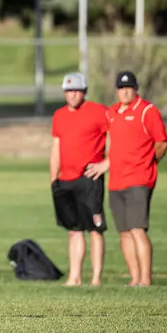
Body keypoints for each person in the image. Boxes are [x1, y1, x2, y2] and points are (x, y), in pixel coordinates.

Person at [85, 71, 167, 286]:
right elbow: (118, 146)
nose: (125, 91)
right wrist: (106, 163)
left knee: (137, 229)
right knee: (123, 232)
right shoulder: (112, 113)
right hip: (117, 180)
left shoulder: (147, 111)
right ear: (116, 91)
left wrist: (149, 162)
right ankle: (134, 278)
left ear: (136, 89)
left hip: (139, 179)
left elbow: (161, 143)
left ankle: (145, 279)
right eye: (121, 88)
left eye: (129, 87)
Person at [49, 72, 109, 287]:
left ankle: (96, 279)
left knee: (94, 229)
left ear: (84, 92)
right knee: (74, 230)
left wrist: (107, 163)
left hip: (89, 178)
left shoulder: (98, 112)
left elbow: (121, 136)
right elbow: (56, 147)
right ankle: (74, 277)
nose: (72, 95)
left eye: (76, 91)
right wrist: (53, 177)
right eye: (68, 91)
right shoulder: (59, 115)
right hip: (66, 179)